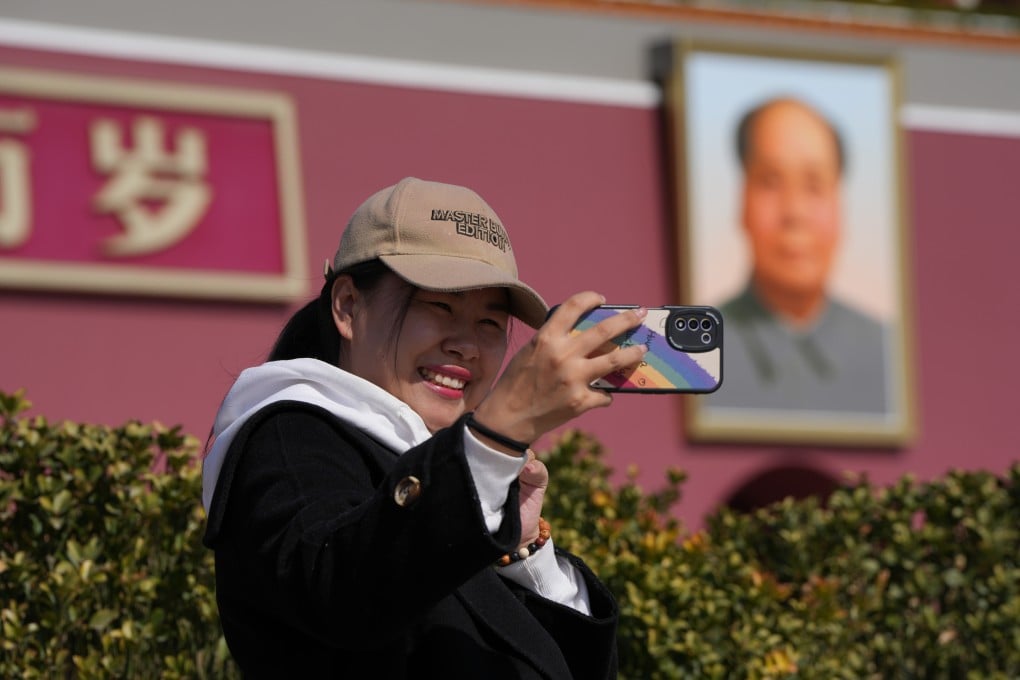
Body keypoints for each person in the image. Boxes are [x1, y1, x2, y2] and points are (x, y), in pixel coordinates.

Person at [201, 177, 646, 678]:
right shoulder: (290, 433)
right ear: (348, 306)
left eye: (490, 323)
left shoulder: (450, 478)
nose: (467, 345)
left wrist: (525, 554)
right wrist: (495, 436)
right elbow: (340, 592)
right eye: (440, 306)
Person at [707, 97, 889, 414]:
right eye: (770, 182)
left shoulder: (887, 353)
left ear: (841, 206)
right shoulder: (699, 353)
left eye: (814, 185)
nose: (794, 212)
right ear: (742, 201)